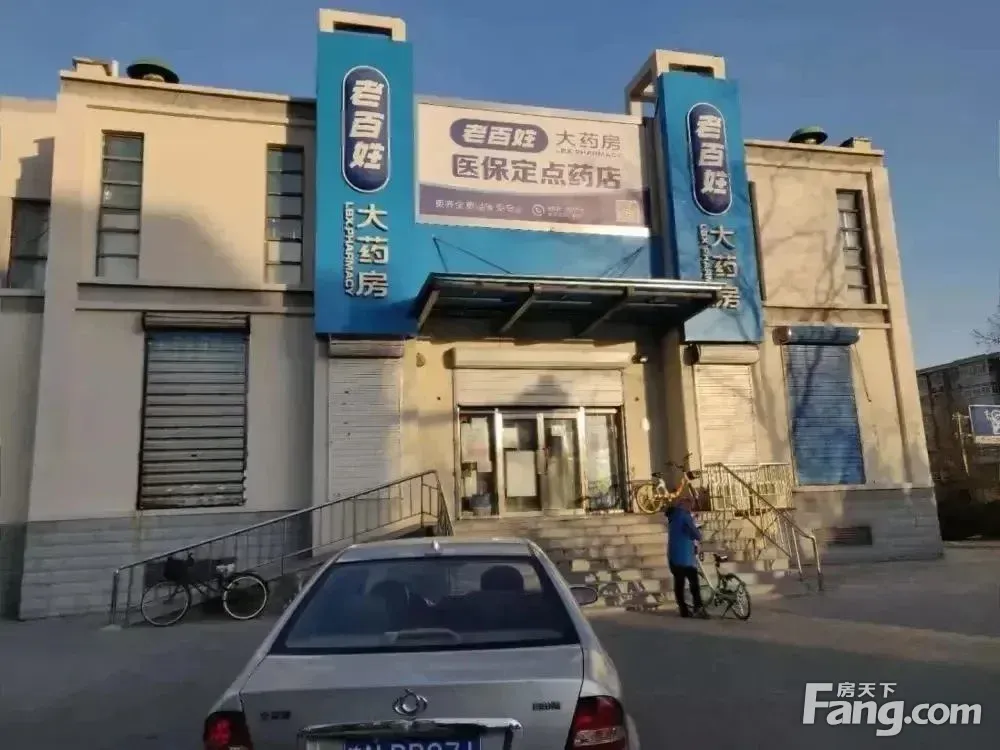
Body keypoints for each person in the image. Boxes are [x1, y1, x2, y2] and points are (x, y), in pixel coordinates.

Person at [665, 494, 708, 619]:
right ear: (685, 505)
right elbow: (695, 533)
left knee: (679, 583)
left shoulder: (673, 516)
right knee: (694, 583)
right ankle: (698, 607)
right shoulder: (684, 516)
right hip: (685, 558)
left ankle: (683, 609)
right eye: (690, 505)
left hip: (673, 556)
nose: (691, 508)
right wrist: (699, 535)